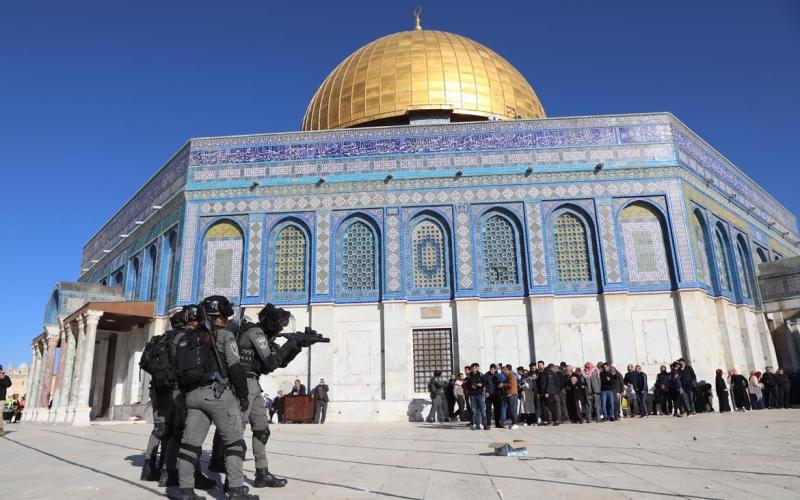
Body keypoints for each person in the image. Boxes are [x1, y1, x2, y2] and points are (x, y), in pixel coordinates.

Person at [174, 296, 257, 500]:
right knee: (234, 443)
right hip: (217, 394)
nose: (227, 320)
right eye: (225, 316)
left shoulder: (189, 336)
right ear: (219, 317)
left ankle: (186, 491)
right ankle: (235, 490)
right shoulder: (225, 335)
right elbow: (235, 367)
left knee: (189, 445)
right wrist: (243, 396)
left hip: (193, 396)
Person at [464, 363, 486, 430]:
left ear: (477, 368)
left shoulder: (481, 375)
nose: (473, 369)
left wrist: (481, 385)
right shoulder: (469, 376)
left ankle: (485, 424)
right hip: (472, 395)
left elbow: (484, 384)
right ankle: (477, 425)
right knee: (474, 411)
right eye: (472, 368)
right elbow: (467, 385)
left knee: (482, 410)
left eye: (475, 368)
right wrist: (471, 386)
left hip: (479, 394)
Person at [500, 365, 519, 429]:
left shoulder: (511, 375)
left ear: (507, 370)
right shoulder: (508, 375)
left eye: (504, 370)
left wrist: (503, 385)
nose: (503, 372)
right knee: (511, 410)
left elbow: (510, 384)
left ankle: (515, 423)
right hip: (509, 395)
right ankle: (513, 423)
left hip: (512, 394)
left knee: (513, 410)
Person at [0, 365, 11, 437]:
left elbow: (8, 384)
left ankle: (0, 429)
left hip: (1, 399)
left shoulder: (5, 377)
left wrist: (2, 377)